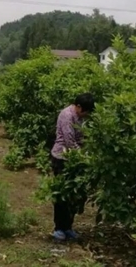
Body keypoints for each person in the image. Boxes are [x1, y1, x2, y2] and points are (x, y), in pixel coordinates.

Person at [50, 92, 95, 241]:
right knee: (62, 195)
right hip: (62, 158)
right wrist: (85, 157)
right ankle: (59, 228)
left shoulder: (80, 117)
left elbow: (82, 137)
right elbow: (69, 142)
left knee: (74, 195)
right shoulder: (66, 115)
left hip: (75, 159)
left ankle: (68, 227)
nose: (86, 115)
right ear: (79, 106)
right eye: (86, 111)